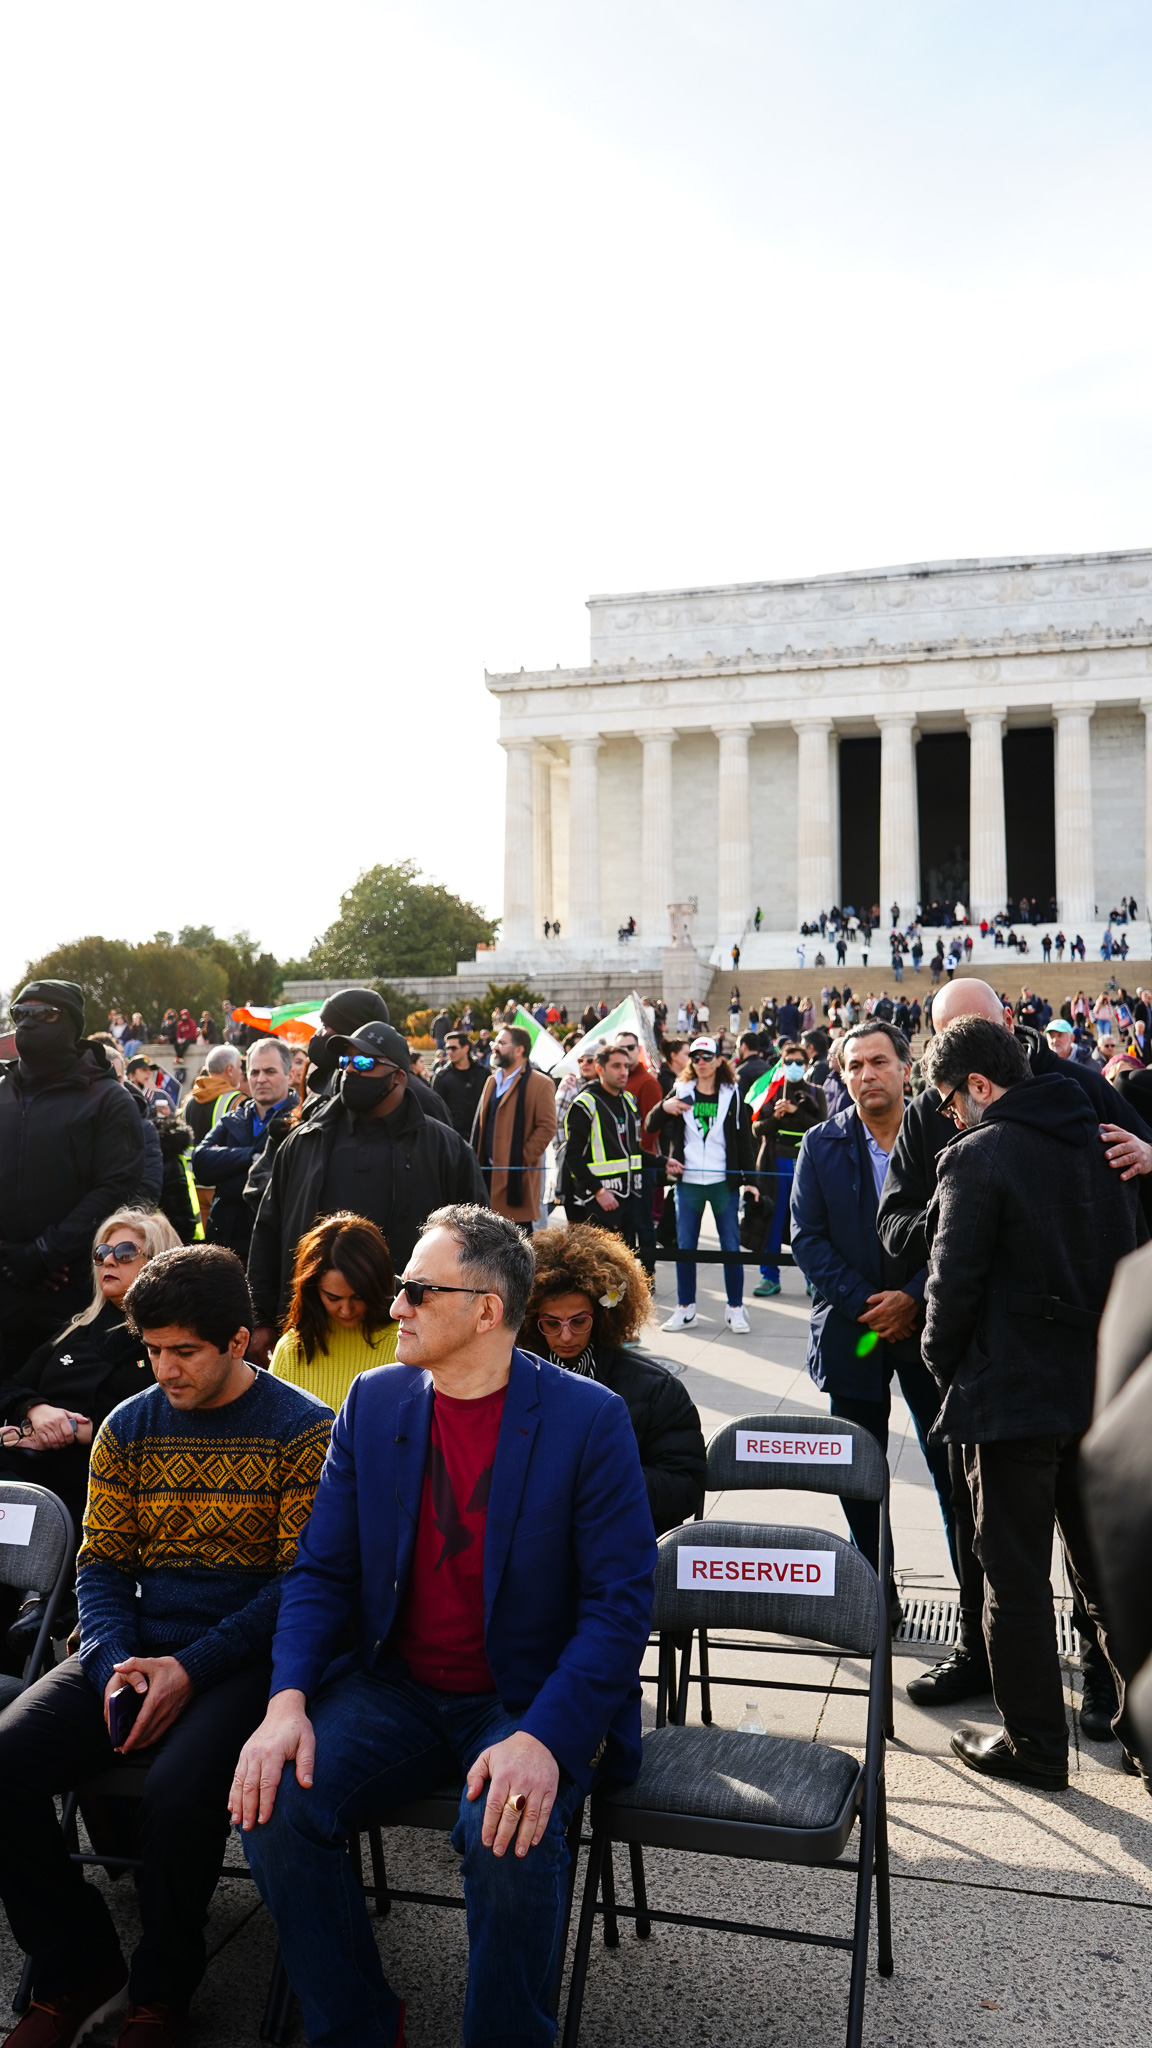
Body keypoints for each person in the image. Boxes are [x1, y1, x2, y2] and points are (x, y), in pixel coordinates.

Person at [232, 1206, 655, 2048]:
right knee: (272, 1807)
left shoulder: (588, 1419)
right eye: (401, 1290)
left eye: (419, 1291)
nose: (397, 1308)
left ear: (488, 1311)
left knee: (508, 1831)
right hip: (399, 1688)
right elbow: (322, 1571)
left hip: (526, 1696)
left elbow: (619, 1606)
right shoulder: (375, 1399)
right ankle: (356, 2026)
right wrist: (285, 1704)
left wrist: (545, 1737)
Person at [0, 1246, 332, 2048]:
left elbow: (300, 1584)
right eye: (153, 1349)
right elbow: (103, 1561)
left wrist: (191, 1669)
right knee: (4, 1764)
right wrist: (118, 1663)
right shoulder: (130, 1422)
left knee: (183, 1793)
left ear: (239, 1342)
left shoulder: (306, 1431)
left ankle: (164, 1988)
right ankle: (78, 1967)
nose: (165, 1368)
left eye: (184, 1351)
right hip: (135, 1646)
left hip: (245, 1661)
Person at [876, 974, 1152, 1714]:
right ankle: (979, 1655)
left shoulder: (1078, 1088)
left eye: (980, 1027)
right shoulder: (937, 1112)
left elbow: (1131, 1183)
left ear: (1006, 1027)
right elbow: (898, 1222)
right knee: (991, 1539)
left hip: (1083, 1362)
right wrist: (970, 1207)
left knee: (1091, 1539)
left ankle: (1102, 1684)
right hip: (992, 1361)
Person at [919, 1018, 1141, 1790]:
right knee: (1106, 1580)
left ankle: (1036, 1746)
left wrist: (942, 1364)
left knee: (1014, 1582)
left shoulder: (979, 1155)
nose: (950, 1117)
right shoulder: (1098, 1140)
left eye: (950, 1102)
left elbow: (950, 1289)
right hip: (1097, 1390)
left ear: (979, 1086)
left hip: (1011, 1396)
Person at [790, 1022, 955, 1612]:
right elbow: (807, 1240)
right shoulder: (820, 1143)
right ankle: (876, 1597)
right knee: (858, 1473)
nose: (867, 1075)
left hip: (929, 1330)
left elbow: (964, 1232)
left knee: (951, 1468)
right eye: (855, 1065)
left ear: (906, 1069)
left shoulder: (946, 1132)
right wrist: (871, 1305)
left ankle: (978, 1609)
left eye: (879, 1062)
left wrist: (913, 1295)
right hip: (853, 1333)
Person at [0, 1206, 182, 1659]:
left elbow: (164, 1419)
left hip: (101, 1475)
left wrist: (79, 1432)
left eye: (125, 1251)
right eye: (102, 1251)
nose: (108, 1261)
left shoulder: (164, 1343)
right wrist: (34, 1410)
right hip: (32, 1462)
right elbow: (11, 1383)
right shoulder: (76, 1329)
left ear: (156, 1261)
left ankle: (50, 1600)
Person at [248, 1021, 487, 1361]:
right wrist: (260, 1321)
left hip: (414, 1336)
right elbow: (267, 1235)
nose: (349, 1072)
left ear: (398, 1076)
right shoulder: (303, 1142)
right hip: (313, 1337)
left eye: (363, 1063)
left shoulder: (446, 1149)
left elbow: (479, 1247)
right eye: (345, 1063)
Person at [0, 981, 150, 1375]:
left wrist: (46, 1253)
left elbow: (118, 1187)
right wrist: (9, 1256)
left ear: (71, 1023)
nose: (29, 1024)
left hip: (78, 1289)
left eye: (44, 1015)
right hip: (5, 1282)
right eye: (21, 1015)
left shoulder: (106, 1099)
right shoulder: (3, 1093)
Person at [523, 1224, 706, 1533]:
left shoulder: (656, 1390)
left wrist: (602, 1477)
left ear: (602, 1315)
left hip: (619, 1544)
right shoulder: (514, 1381)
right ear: (530, 1321)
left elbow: (683, 1490)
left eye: (579, 1321)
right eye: (551, 1324)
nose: (565, 1335)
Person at [646, 1037, 758, 1335]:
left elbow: (744, 1140)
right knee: (686, 1247)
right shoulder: (681, 1090)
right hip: (689, 1182)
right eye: (695, 1057)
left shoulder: (731, 1092)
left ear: (719, 1060)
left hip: (723, 1182)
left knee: (730, 1247)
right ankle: (686, 1309)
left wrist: (751, 1181)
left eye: (707, 1056)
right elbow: (650, 1124)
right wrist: (664, 1106)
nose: (701, 1062)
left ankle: (736, 1308)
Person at [270, 1211, 398, 1411]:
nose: (346, 1310)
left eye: (358, 1296)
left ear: (377, 1286)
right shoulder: (291, 1350)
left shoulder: (405, 1343)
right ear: (312, 1290)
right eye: (333, 1298)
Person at [192, 1037, 296, 1259]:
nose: (260, 1079)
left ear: (291, 1076)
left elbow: (282, 1184)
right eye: (254, 1072)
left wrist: (227, 1170)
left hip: (274, 1242)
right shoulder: (233, 1118)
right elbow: (201, 1163)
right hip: (224, 1239)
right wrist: (253, 1156)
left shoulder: (300, 1121)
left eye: (270, 1071)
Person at [752, 1042, 827, 1296]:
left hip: (806, 1166)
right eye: (789, 1062)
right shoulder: (773, 1093)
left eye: (799, 1063)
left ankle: (811, 1277)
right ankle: (769, 1276)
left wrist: (796, 1111)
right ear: (781, 1065)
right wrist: (776, 1117)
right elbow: (757, 1129)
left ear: (806, 1065)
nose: (794, 1067)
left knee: (807, 1222)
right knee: (772, 1219)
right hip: (775, 1165)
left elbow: (822, 1127)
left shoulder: (816, 1092)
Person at [472, 1028, 558, 1233]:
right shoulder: (492, 1080)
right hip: (488, 1178)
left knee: (516, 1246)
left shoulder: (541, 1083)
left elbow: (547, 1127)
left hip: (516, 1181)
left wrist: (522, 1158)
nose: (495, 1047)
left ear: (519, 1050)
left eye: (502, 1043)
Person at [559, 1042, 644, 1246]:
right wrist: (598, 1191)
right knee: (598, 1270)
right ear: (600, 1069)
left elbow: (634, 1151)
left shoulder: (629, 1101)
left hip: (629, 1198)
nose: (623, 1071)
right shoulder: (585, 1103)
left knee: (625, 1270)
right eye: (616, 1066)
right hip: (597, 1203)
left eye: (625, 1066)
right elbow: (572, 1156)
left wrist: (665, 1162)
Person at [612, 1028, 664, 1278]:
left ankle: (648, 1276)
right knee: (624, 1225)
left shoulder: (648, 1082)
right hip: (619, 1168)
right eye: (620, 1049)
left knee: (643, 1223)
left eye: (630, 1048)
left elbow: (650, 1130)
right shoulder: (617, 1081)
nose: (626, 1053)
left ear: (639, 1050)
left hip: (641, 1165)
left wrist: (636, 1157)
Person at [149, 1097, 203, 1245]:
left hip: (168, 1243)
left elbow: (181, 1215)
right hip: (171, 1242)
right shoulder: (168, 1151)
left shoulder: (165, 1154)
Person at [182, 1042, 248, 1146]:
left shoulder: (188, 1100)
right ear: (230, 1070)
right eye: (239, 1067)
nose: (241, 1072)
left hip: (191, 1162)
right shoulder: (238, 1101)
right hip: (225, 1162)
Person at [433, 1029, 489, 1141]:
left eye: (453, 1048)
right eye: (447, 1048)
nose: (449, 1052)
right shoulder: (442, 1077)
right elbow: (436, 1111)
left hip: (481, 1136)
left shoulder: (483, 1073)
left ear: (466, 1048)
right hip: (454, 1139)